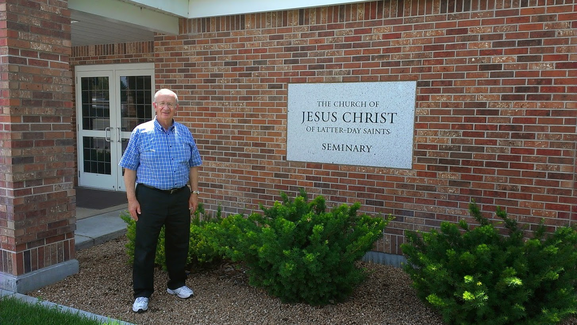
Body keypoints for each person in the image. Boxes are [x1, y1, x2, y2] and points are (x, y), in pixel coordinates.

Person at [119, 88, 202, 313]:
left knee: (179, 242)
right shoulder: (141, 132)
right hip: (150, 197)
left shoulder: (184, 132)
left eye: (170, 104)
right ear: (155, 106)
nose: (166, 107)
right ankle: (142, 293)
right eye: (162, 103)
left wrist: (194, 193)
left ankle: (176, 284)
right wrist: (131, 199)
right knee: (145, 246)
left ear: (176, 108)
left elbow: (193, 164)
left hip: (179, 197)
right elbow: (129, 168)